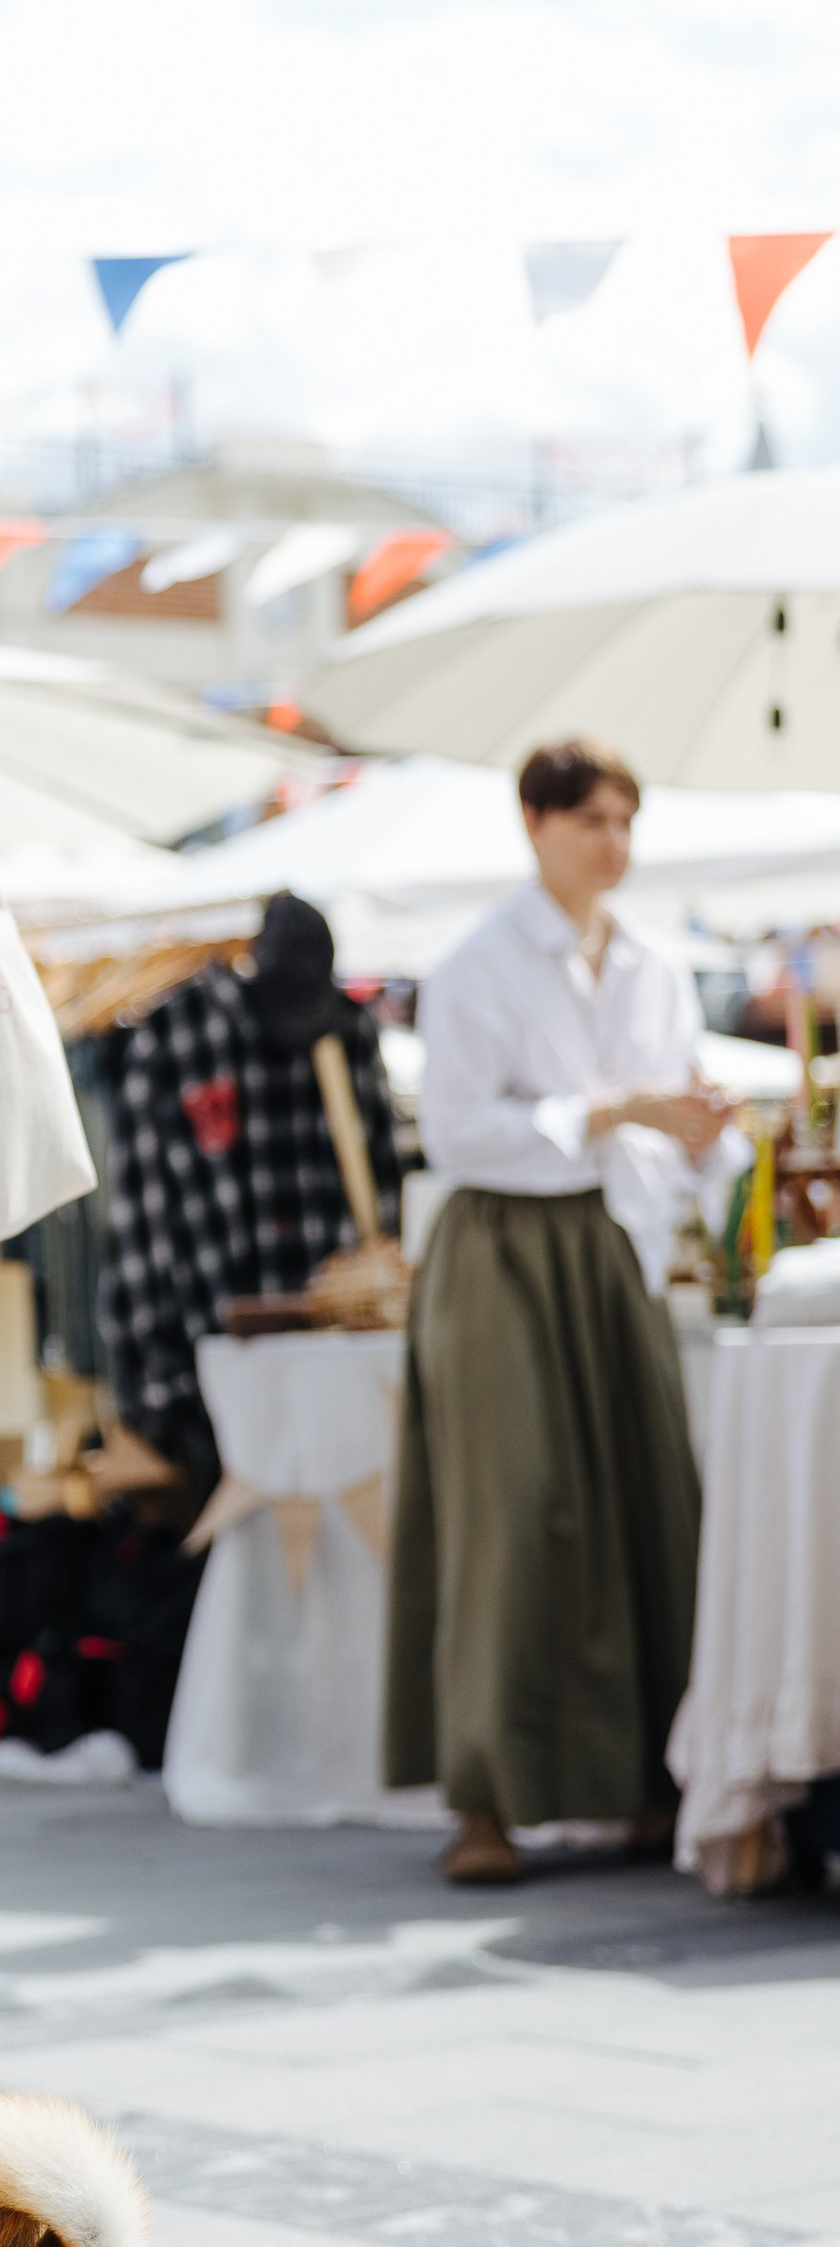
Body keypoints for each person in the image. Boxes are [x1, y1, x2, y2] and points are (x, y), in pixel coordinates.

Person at [384, 741, 737, 1884]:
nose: (612, 843)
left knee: (648, 1498)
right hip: (501, 1249)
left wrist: (697, 1129)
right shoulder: (475, 961)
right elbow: (457, 1132)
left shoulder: (655, 963)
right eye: (590, 819)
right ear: (534, 823)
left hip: (615, 1247)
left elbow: (682, 1133)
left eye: (624, 820)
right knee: (510, 1512)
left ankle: (652, 1782)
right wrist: (612, 1110)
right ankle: (485, 1798)